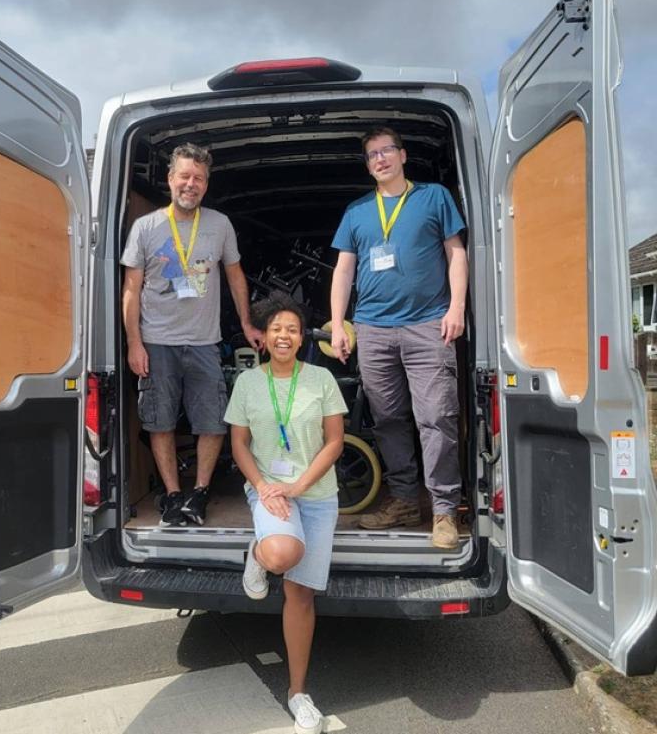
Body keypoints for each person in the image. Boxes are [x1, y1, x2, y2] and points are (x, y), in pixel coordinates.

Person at [329, 127, 468, 549]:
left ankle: (444, 511)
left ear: (403, 155)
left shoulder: (433, 196)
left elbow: (456, 253)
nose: (380, 159)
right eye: (372, 154)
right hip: (372, 328)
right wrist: (338, 323)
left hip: (428, 324)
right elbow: (344, 270)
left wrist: (456, 308)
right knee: (388, 419)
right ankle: (406, 500)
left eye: (387, 151)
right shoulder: (356, 211)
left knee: (436, 417)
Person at [121, 143, 262, 527]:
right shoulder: (146, 227)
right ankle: (171, 494)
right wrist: (134, 342)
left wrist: (247, 323)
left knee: (213, 421)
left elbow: (235, 276)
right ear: (170, 179)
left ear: (206, 184)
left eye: (198, 178)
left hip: (204, 342)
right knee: (160, 421)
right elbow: (131, 289)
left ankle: (199, 493)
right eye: (184, 176)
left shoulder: (219, 224)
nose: (191, 184)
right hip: (157, 342)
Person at [225, 291, 346, 734]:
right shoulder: (247, 383)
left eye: (292, 329)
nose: (284, 335)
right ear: (264, 335)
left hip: (315, 494)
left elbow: (335, 441)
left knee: (300, 596)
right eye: (276, 328)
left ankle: (298, 694)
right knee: (280, 555)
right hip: (269, 491)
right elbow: (239, 443)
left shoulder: (320, 379)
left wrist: (298, 485)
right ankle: (258, 554)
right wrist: (262, 486)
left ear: (302, 339)